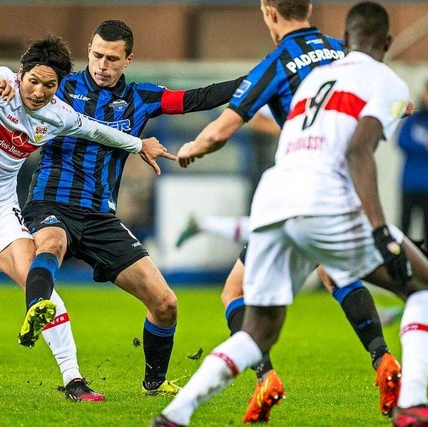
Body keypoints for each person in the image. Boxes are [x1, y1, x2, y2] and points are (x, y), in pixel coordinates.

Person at [152, 3, 428, 426]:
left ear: (269, 12)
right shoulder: (379, 77)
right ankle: (411, 402)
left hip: (275, 199)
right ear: (386, 43)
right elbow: (368, 140)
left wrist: (192, 148)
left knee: (256, 326)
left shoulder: (301, 73)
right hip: (328, 200)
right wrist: (380, 231)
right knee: (421, 286)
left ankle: (175, 413)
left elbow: (244, 123)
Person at [0, 35, 173, 400]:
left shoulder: (57, 114)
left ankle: (73, 379)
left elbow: (96, 130)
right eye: (33, 81)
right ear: (21, 73)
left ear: (58, 87)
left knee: (38, 287)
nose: (38, 91)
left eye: (49, 85)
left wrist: (140, 145)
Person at [17, 19, 245, 398]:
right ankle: (37, 308)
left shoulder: (141, 98)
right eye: (96, 55)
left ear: (128, 60)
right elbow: (18, 88)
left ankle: (154, 383)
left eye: (111, 59)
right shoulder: (61, 86)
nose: (102, 65)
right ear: (88, 50)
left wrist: (252, 82)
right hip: (50, 201)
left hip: (101, 217)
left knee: (165, 302)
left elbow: (196, 99)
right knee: (51, 244)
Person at [398, 81, 428, 246]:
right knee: (405, 227)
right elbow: (402, 141)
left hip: (427, 185)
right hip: (409, 183)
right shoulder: (414, 120)